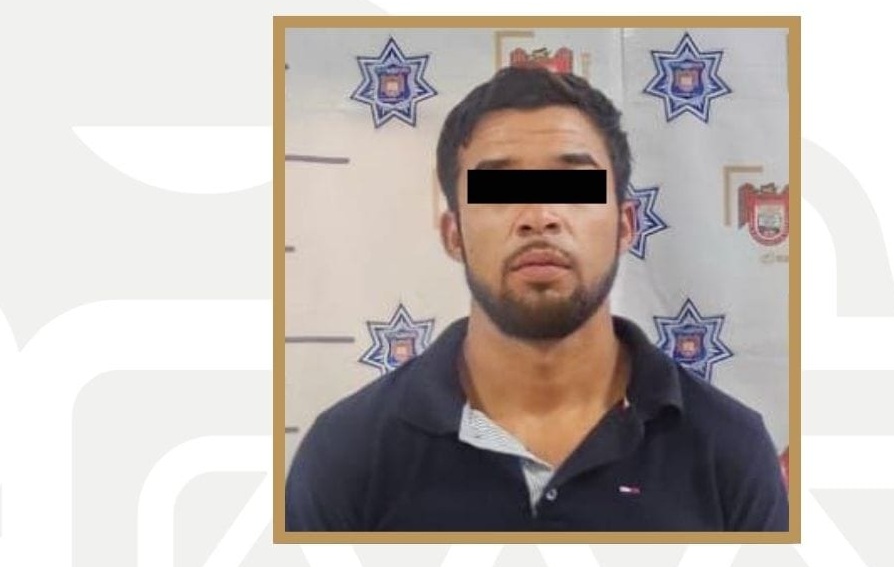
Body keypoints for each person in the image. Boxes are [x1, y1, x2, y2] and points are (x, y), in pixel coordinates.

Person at [285, 66, 789, 531]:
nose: (539, 216)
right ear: (454, 234)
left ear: (624, 226)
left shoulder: (729, 452)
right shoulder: (346, 456)